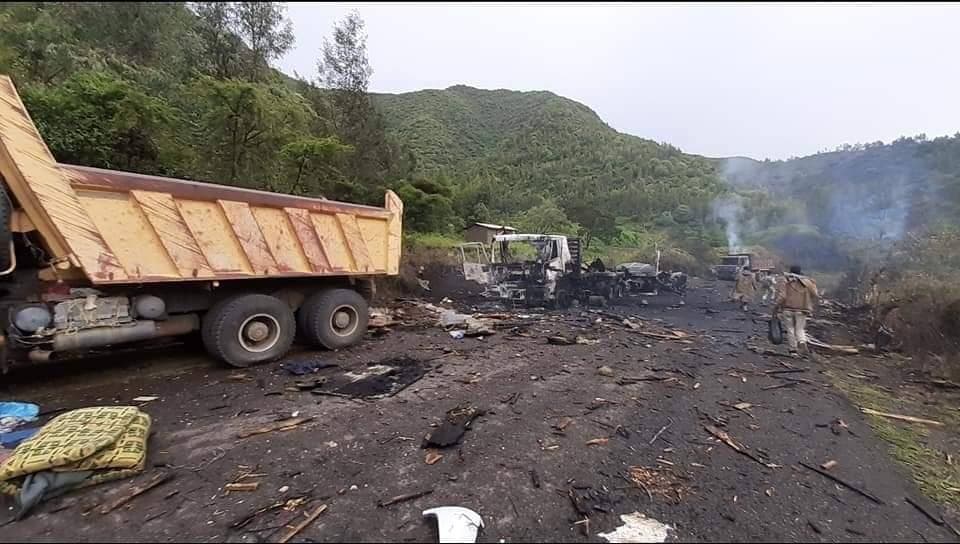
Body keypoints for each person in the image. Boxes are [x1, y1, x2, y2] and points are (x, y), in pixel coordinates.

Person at [774, 265, 819, 356]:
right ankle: (801, 341)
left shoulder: (785, 280)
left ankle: (793, 350)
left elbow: (782, 296)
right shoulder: (807, 282)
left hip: (787, 308)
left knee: (790, 329)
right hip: (802, 309)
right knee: (800, 329)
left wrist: (776, 306)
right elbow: (815, 294)